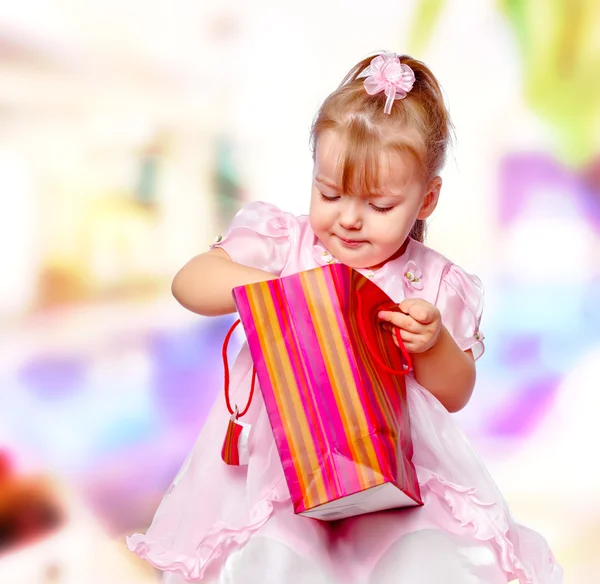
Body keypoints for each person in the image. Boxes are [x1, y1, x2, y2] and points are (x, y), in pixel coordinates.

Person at [127, 52, 563, 583]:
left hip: (398, 481)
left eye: (380, 206)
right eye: (329, 193)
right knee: (269, 560)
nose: (350, 219)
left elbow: (455, 394)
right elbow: (189, 282)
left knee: (427, 561)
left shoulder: (429, 280)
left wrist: (432, 343)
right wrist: (269, 288)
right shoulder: (286, 243)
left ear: (426, 200)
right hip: (279, 475)